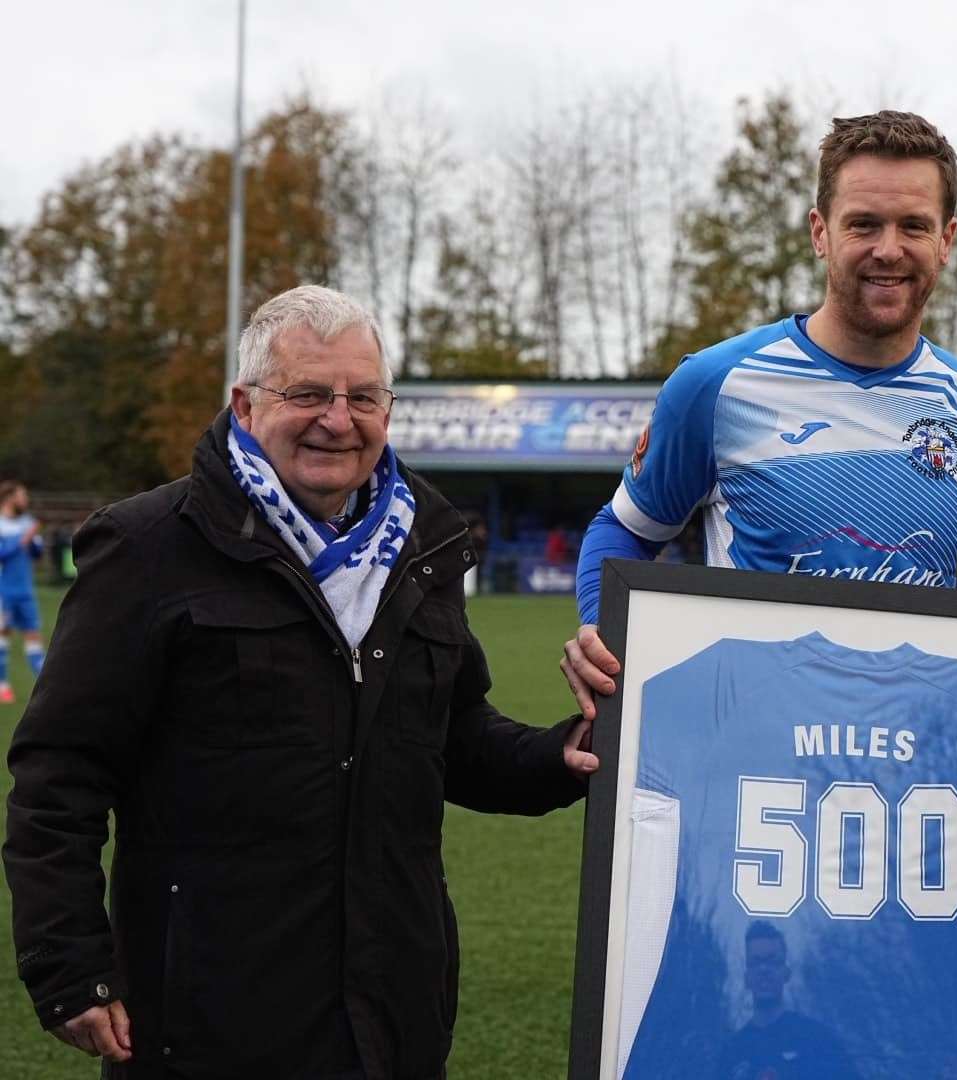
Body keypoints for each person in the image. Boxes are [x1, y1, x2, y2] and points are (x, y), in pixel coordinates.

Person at [3, 285, 598, 1078]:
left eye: (363, 396)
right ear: (245, 405)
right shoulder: (148, 547)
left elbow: (451, 735)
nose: (338, 418)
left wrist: (563, 755)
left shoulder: (428, 539)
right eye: (308, 393)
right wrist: (68, 962)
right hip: (208, 1020)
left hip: (392, 1014)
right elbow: (59, 774)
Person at [561, 110, 957, 716]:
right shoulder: (714, 385)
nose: (888, 249)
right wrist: (600, 630)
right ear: (820, 232)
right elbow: (625, 532)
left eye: (914, 225)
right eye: (863, 224)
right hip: (748, 751)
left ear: (948, 239)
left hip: (907, 758)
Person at [715, 921, 857, 1080]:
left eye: (772, 961)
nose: (764, 969)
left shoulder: (818, 1041)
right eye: (756, 962)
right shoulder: (733, 1053)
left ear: (786, 972)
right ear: (747, 977)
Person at [0, 481, 47, 704]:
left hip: (25, 591)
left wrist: (36, 542)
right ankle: (2, 686)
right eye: (21, 496)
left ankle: (45, 687)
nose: (25, 500)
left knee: (34, 636)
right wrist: (24, 539)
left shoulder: (27, 522)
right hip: (3, 591)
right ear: (9, 498)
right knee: (3, 636)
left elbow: (37, 554)